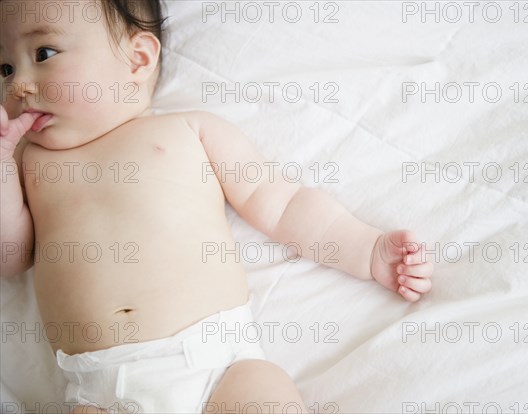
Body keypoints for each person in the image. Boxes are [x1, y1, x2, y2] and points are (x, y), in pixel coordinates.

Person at [0, 0, 433, 412]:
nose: (18, 84)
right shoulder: (30, 164)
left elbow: (283, 204)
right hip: (100, 389)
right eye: (4, 67)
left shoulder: (189, 131)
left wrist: (367, 250)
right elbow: (13, 257)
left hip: (218, 365)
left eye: (44, 52)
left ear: (137, 59)